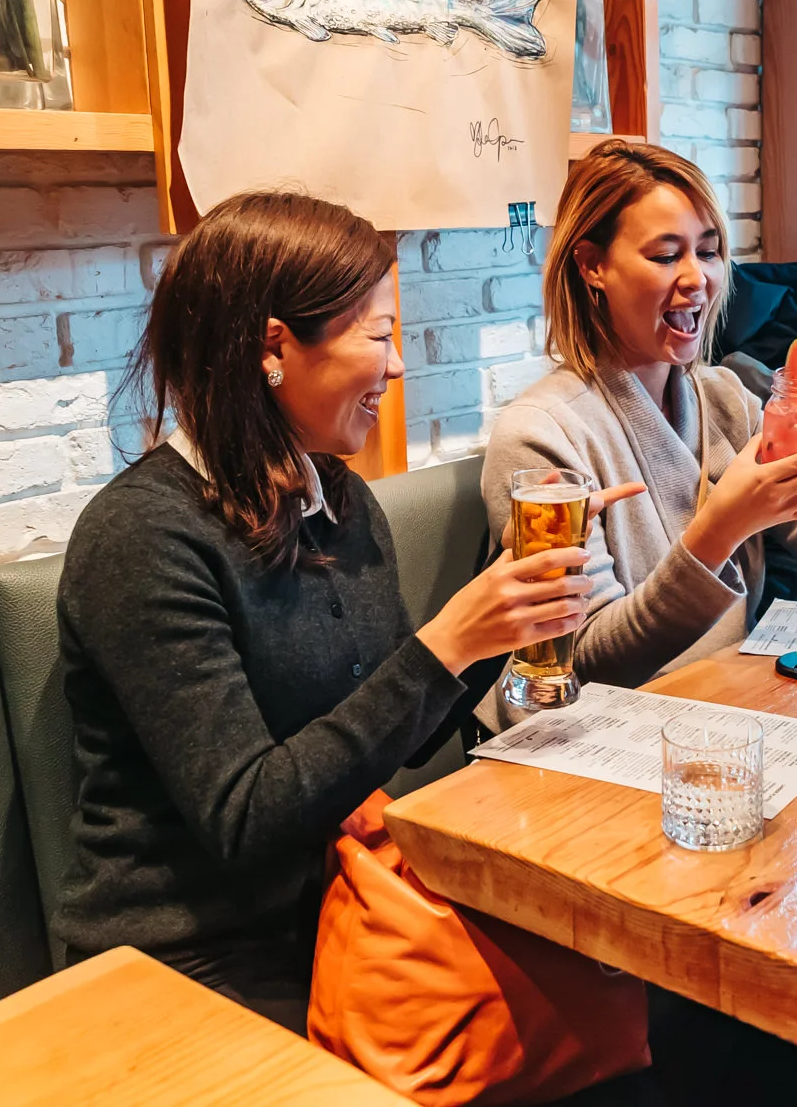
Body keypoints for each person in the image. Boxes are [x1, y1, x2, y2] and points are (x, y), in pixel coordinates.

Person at [53, 192, 639, 1032]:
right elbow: (247, 818)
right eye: (379, 335)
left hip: (344, 907)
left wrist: (507, 608)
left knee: (614, 1015)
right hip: (188, 958)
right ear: (273, 347)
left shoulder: (341, 499)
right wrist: (450, 639)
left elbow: (396, 731)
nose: (397, 366)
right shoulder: (142, 538)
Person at [484, 138, 797, 719]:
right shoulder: (541, 435)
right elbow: (585, 663)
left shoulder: (724, 396)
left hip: (717, 707)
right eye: (664, 255)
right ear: (592, 266)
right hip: (589, 738)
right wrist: (721, 527)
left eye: (708, 252)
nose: (697, 278)